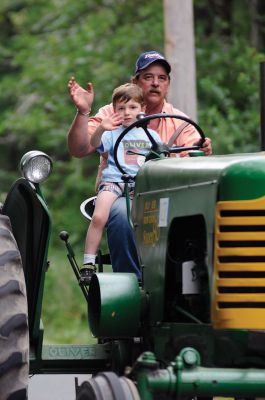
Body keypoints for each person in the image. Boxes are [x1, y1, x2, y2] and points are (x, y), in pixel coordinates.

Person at [67, 50, 212, 280]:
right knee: (123, 216)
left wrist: (202, 148)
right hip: (121, 191)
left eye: (161, 78)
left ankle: (185, 287)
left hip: (167, 197)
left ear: (168, 84)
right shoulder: (112, 113)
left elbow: (194, 157)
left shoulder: (179, 122)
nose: (155, 83)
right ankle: (132, 290)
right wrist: (83, 112)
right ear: (135, 81)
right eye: (148, 76)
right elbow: (79, 148)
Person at [79, 83, 162, 284]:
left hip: (139, 186)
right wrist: (100, 128)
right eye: (121, 108)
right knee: (99, 217)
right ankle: (88, 264)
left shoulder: (151, 136)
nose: (126, 113)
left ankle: (153, 267)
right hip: (114, 181)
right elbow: (94, 144)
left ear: (142, 110)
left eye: (132, 108)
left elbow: (161, 157)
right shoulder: (112, 133)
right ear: (114, 110)